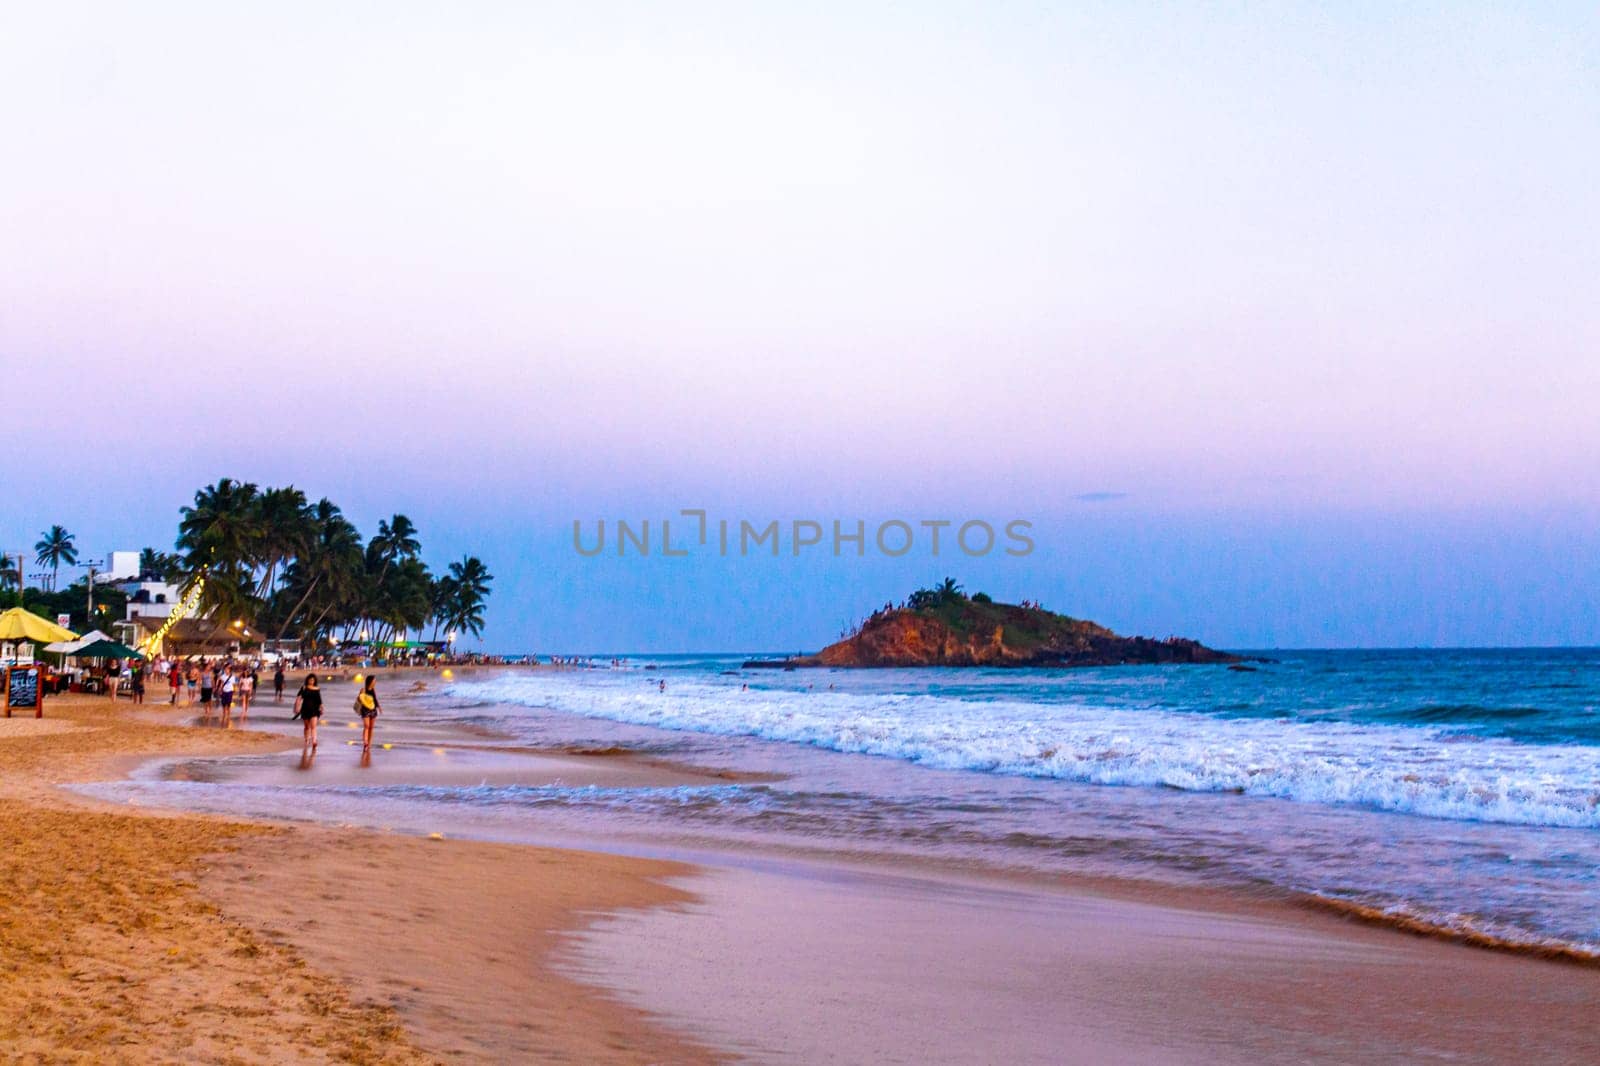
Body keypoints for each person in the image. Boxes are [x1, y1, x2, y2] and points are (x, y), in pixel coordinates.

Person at [292, 673, 323, 753]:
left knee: (313, 726)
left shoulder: (317, 689)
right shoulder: (304, 688)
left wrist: (321, 707)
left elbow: (319, 700)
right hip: (305, 709)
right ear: (307, 680)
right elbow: (298, 698)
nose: (311, 681)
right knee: (306, 727)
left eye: (313, 680)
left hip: (315, 710)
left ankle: (314, 741)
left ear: (315, 681)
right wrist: (297, 707)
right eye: (310, 680)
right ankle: (306, 740)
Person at [355, 675, 380, 753]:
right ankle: (365, 743)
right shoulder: (363, 690)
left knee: (371, 728)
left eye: (375, 681)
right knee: (366, 726)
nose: (375, 682)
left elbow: (375, 699)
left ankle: (369, 744)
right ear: (370, 681)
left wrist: (379, 707)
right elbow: (358, 698)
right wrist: (359, 697)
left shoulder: (373, 690)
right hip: (365, 710)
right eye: (374, 680)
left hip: (373, 710)